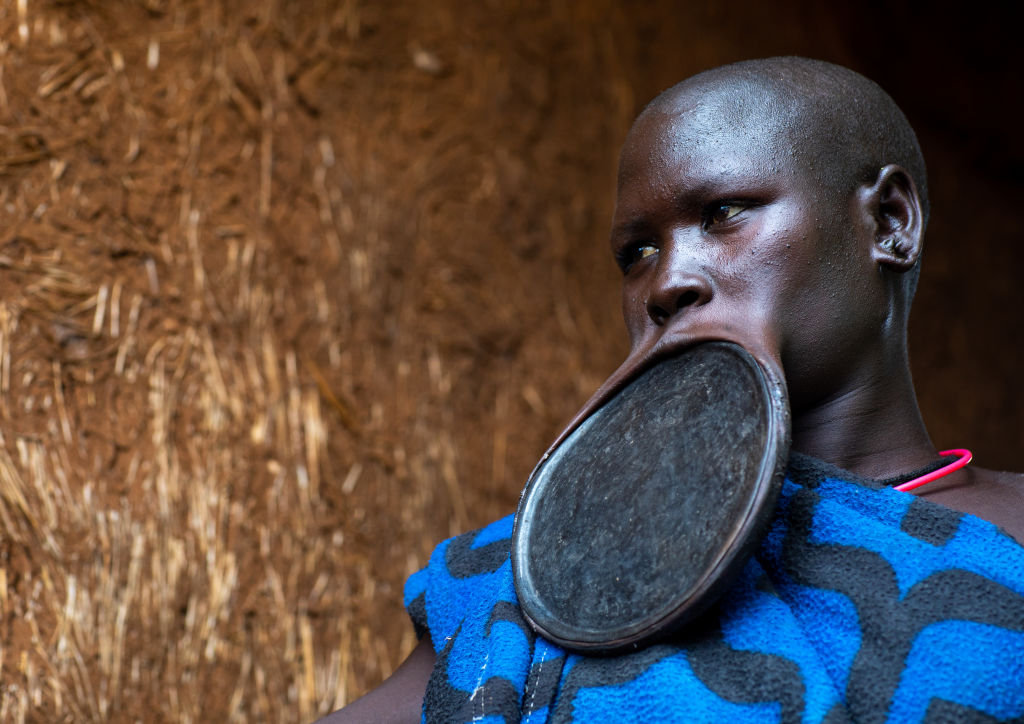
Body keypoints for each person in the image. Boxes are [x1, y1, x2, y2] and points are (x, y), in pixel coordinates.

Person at [318, 57, 1024, 723]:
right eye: (638, 253)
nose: (667, 281)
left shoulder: (1011, 531)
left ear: (890, 222)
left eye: (723, 215)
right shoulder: (546, 574)